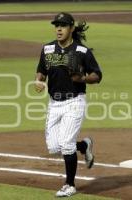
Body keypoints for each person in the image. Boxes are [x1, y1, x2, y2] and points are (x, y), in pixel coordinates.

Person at [34, 12, 102, 197]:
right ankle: (84, 146)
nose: (58, 28)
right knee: (55, 148)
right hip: (54, 104)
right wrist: (38, 81)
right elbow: (41, 71)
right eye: (57, 25)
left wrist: (83, 78)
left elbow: (98, 75)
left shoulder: (81, 51)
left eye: (63, 25)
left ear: (71, 28)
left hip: (74, 101)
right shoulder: (47, 49)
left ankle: (70, 185)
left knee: (65, 144)